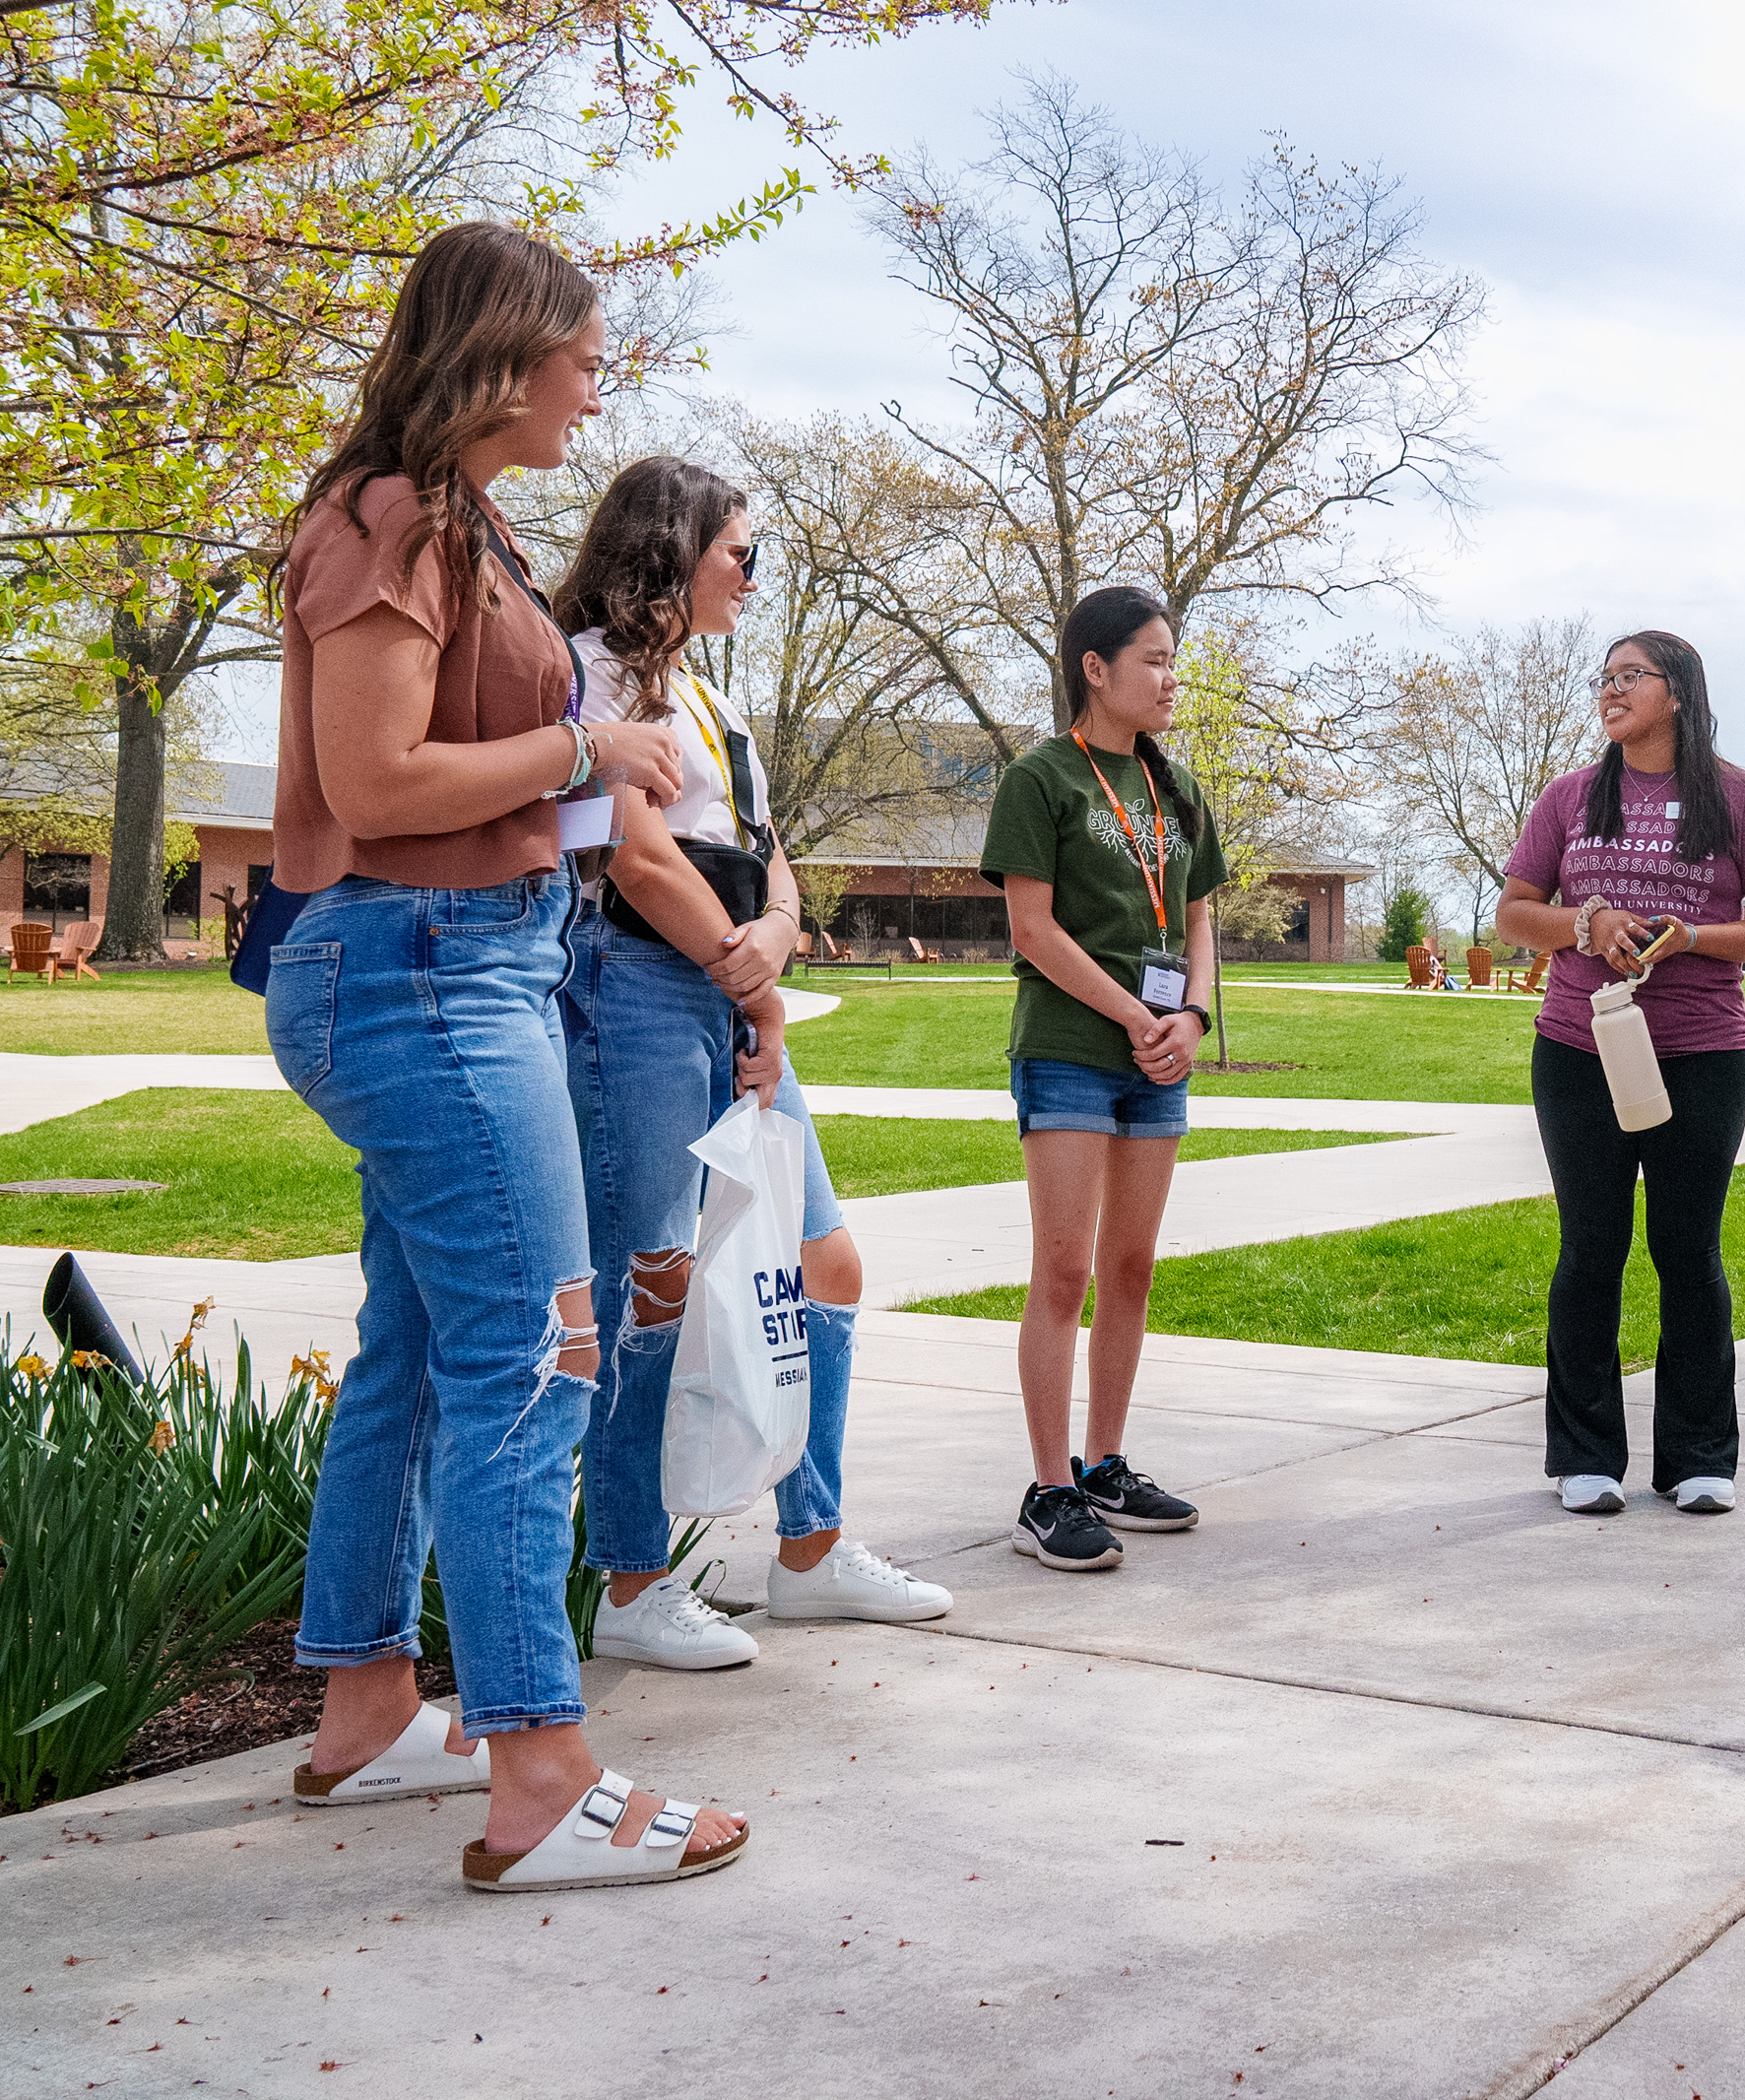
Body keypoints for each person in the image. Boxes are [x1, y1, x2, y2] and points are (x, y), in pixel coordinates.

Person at [272, 222, 744, 1892]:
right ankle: (540, 1768)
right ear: (506, 352)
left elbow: (436, 777)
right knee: (538, 1357)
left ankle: (365, 1701)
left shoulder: (445, 521)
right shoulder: (393, 517)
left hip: (448, 964)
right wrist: (590, 746)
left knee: (416, 1345)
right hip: (424, 974)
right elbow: (380, 781)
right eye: (584, 351)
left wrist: (569, 774)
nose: (598, 381)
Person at [552, 457, 952, 1669]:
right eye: (742, 553)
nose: (756, 577)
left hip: (729, 996)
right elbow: (631, 856)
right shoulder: (588, 676)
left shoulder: (713, 701)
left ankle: (812, 1551)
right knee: (648, 1283)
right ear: (671, 554)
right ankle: (626, 1579)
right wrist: (747, 967)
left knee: (823, 1261)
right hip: (632, 996)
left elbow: (769, 858)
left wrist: (767, 964)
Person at [1493, 631, 1745, 1515]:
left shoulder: (1742, 798)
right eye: (1605, 679)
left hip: (1704, 1052)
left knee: (1687, 1249)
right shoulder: (1567, 798)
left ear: (1679, 692)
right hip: (1579, 1050)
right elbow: (1516, 914)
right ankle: (1585, 1458)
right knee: (1591, 1247)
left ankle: (1700, 1457)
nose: (1611, 690)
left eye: (1631, 676)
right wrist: (1587, 920)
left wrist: (1693, 937)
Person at [979, 585, 1225, 1572]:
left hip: (1158, 1060)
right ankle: (1047, 1490)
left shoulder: (1177, 788)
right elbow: (1030, 930)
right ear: (1096, 668)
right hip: (1073, 1052)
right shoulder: (1043, 781)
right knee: (1066, 1270)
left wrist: (1192, 1018)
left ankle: (1106, 1464)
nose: (1171, 678)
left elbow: (1199, 922)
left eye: (1174, 660)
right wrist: (1135, 1015)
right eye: (1154, 660)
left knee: (1131, 1268)